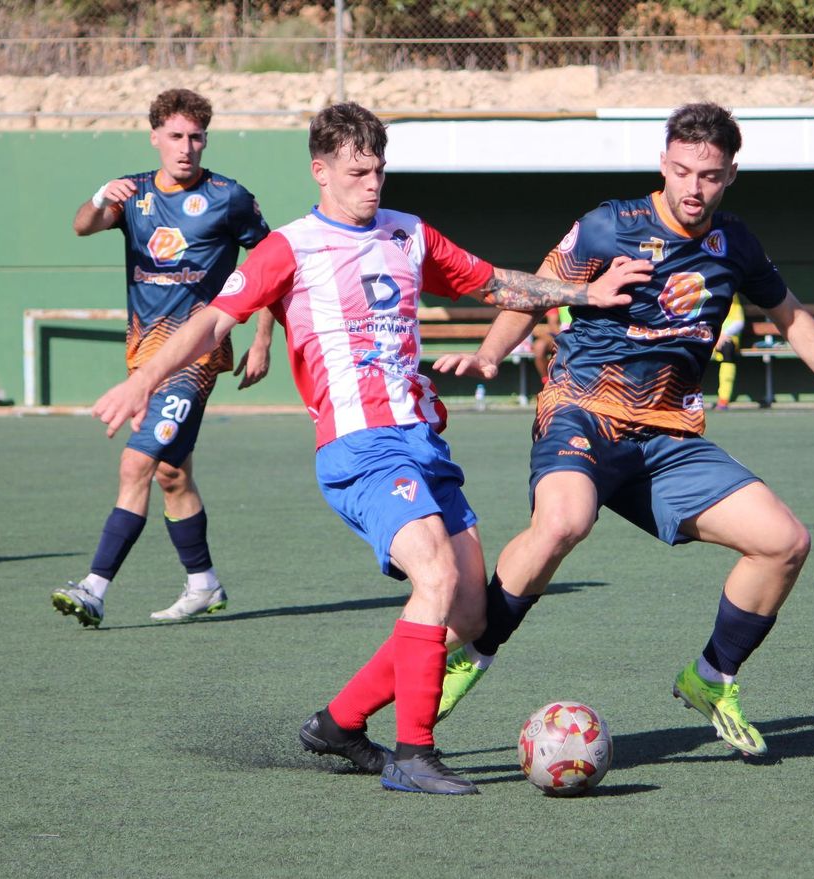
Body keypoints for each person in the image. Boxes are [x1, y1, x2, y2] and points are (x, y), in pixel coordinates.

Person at [91, 102, 650, 794]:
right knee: (436, 580)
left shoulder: (407, 234)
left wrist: (584, 293)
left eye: (379, 169)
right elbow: (210, 322)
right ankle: (414, 755)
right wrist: (146, 379)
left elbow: (493, 283)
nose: (372, 182)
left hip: (423, 443)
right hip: (359, 447)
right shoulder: (289, 247)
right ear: (320, 171)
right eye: (357, 171)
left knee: (470, 613)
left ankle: (339, 723)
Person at [432, 102, 814, 758]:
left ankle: (712, 678)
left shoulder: (735, 245)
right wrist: (492, 353)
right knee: (563, 523)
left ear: (730, 177)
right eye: (683, 171)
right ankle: (474, 652)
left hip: (669, 439)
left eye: (710, 176)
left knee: (784, 543)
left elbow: (792, 316)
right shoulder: (610, 225)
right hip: (583, 410)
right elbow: (538, 288)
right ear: (664, 164)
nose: (694, 188)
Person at [50, 88, 275, 628]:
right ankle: (204, 583)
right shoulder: (133, 194)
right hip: (144, 351)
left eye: (196, 137)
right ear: (155, 138)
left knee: (137, 463)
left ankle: (94, 588)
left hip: (196, 356)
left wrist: (263, 337)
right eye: (176, 136)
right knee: (173, 474)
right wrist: (101, 195)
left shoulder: (229, 197)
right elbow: (82, 225)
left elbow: (272, 265)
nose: (187, 147)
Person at [711, 296, 746, 410]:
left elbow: (739, 322)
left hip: (726, 339)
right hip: (705, 336)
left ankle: (723, 399)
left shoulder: (733, 297)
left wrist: (722, 334)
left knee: (727, 348)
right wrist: (714, 334)